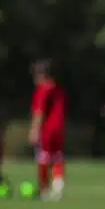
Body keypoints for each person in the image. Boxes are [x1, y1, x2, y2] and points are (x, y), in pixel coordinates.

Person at [28, 59, 67, 201]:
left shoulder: (43, 89)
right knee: (57, 158)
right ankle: (58, 185)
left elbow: (39, 112)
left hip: (47, 129)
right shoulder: (58, 89)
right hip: (59, 127)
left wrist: (34, 130)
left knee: (43, 158)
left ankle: (44, 189)